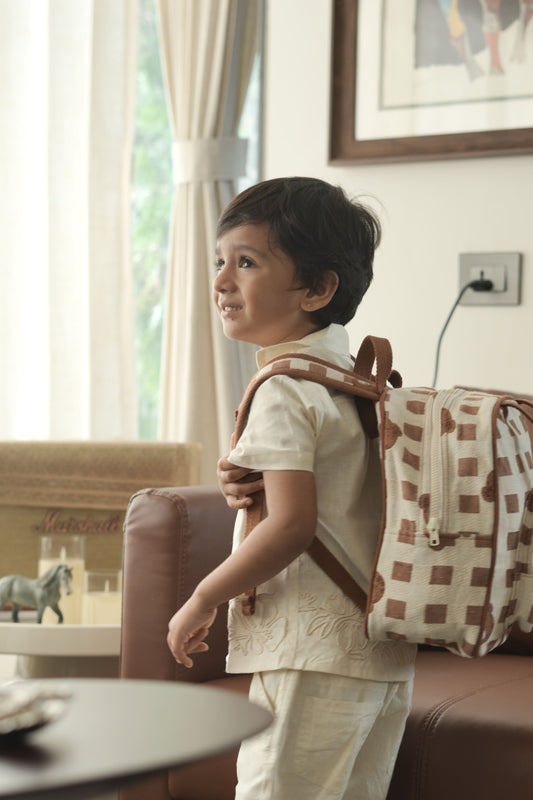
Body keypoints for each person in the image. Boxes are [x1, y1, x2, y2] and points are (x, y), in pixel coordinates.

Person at [167, 177, 416, 800]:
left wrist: (204, 596)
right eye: (219, 261)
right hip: (381, 650)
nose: (222, 280)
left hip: (308, 651)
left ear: (318, 287)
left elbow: (292, 525)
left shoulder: (282, 388)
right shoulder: (361, 384)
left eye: (247, 262)